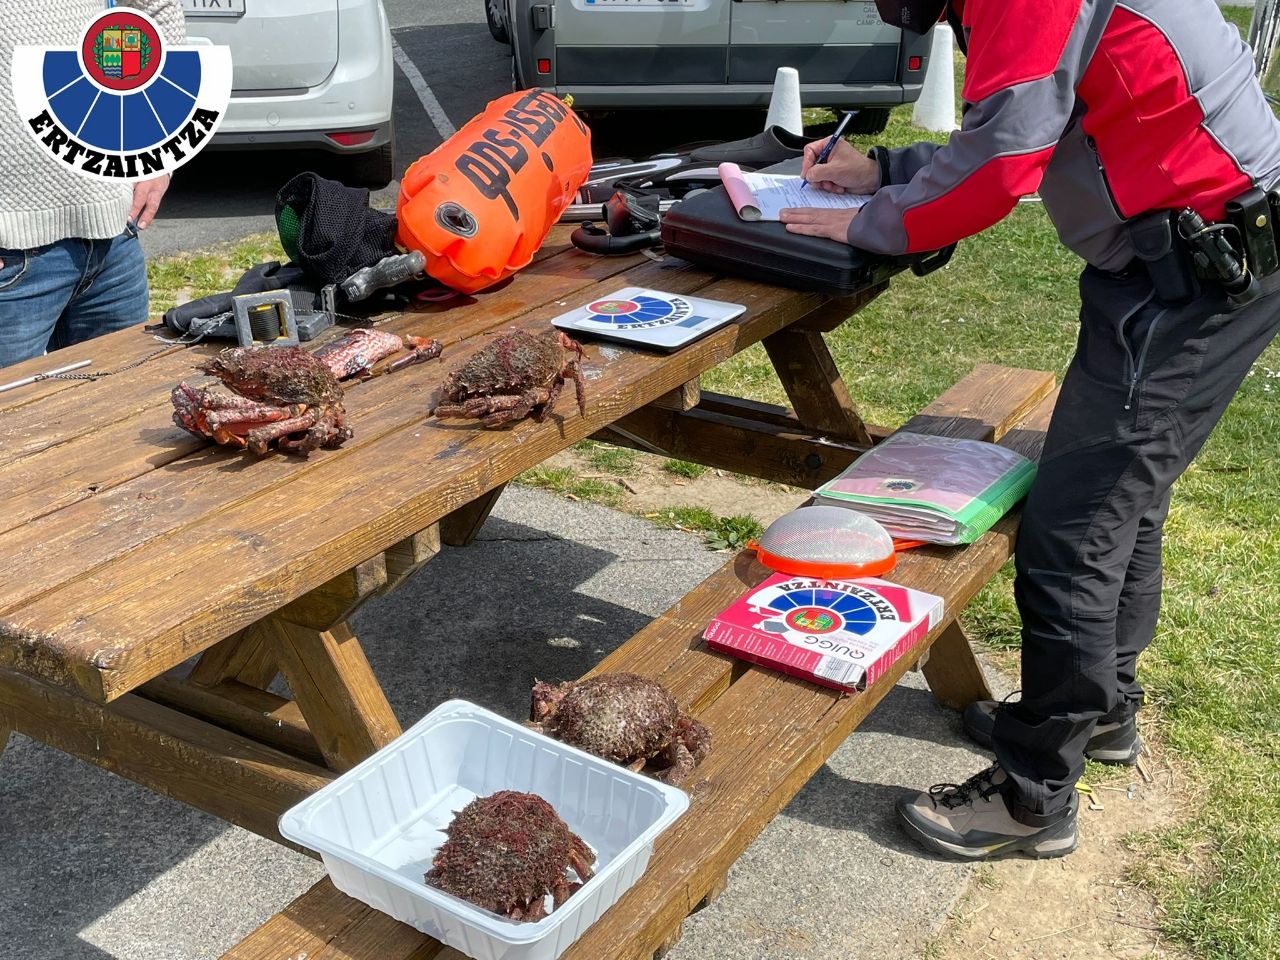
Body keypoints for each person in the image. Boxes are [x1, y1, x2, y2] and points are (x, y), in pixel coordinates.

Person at [780, 0, 1280, 859]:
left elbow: (1004, 164)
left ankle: (1033, 796)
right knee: (1125, 502)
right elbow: (1042, 128)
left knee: (1076, 533)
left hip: (1193, 271)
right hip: (1184, 257)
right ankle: (1105, 714)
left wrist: (876, 221)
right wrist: (890, 169)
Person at [0, 1, 185, 369]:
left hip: (114, 242)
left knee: (117, 410)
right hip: (10, 257)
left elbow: (158, 7)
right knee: (13, 423)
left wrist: (159, 152)